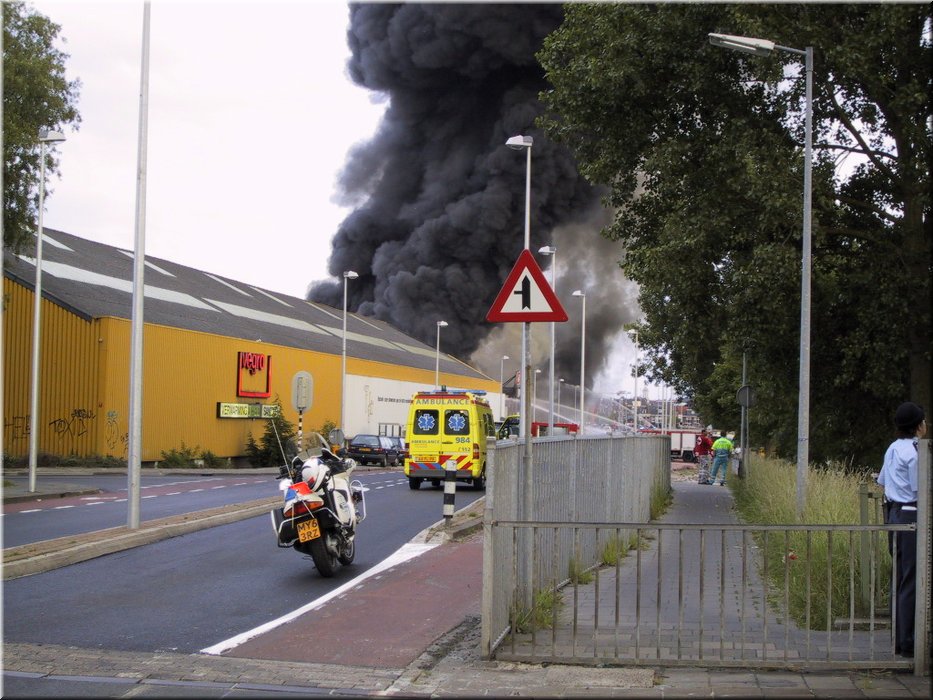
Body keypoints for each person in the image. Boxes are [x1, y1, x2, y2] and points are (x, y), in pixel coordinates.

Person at [877, 401, 926, 658]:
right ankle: (909, 641)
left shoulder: (893, 448)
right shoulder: (917, 452)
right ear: (918, 426)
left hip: (893, 513)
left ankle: (899, 638)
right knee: (912, 578)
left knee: (899, 577)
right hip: (911, 513)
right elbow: (921, 488)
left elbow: (882, 480)